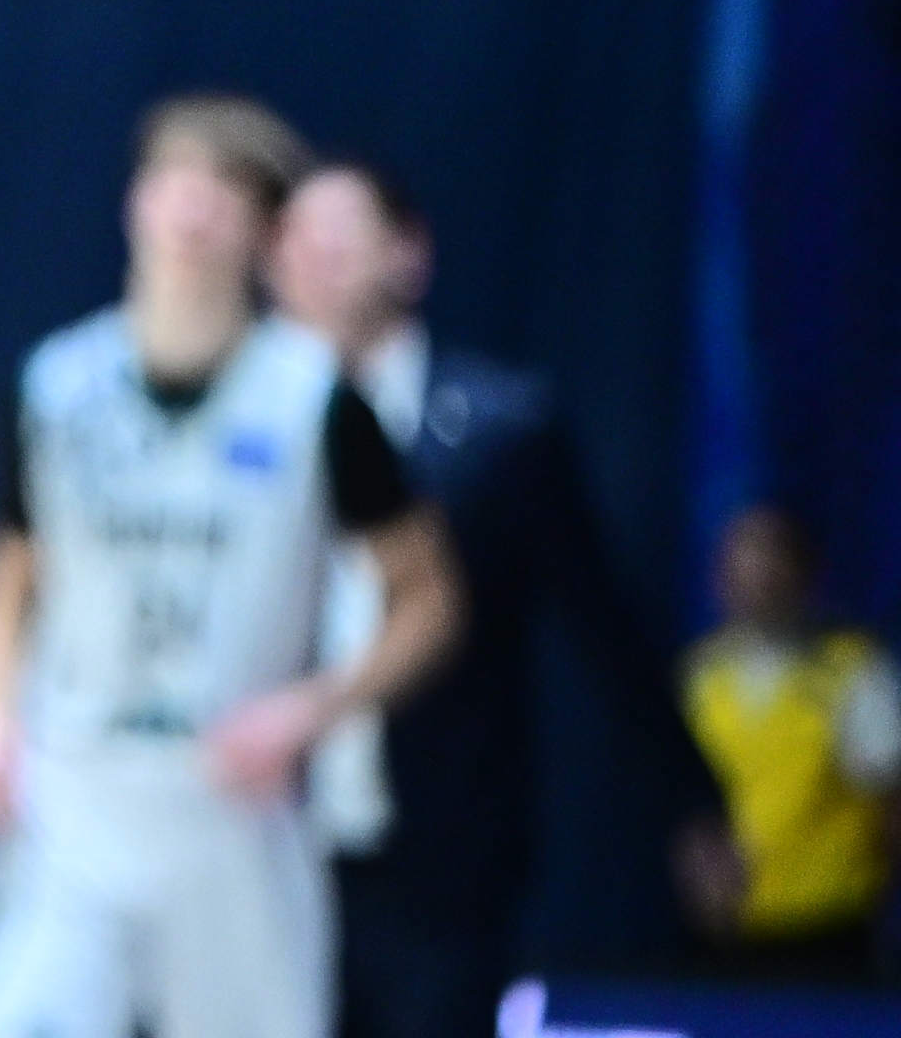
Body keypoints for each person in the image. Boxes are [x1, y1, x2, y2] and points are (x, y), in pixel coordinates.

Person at [0, 97, 467, 1038]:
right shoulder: (56, 385)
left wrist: (313, 709)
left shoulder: (315, 398)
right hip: (74, 793)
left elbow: (427, 595)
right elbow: (6, 579)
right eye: (173, 182)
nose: (192, 211)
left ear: (265, 233)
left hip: (232, 798)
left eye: (223, 191)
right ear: (134, 204)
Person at [268, 153, 730, 1038]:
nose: (313, 255)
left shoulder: (501, 429)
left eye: (340, 232)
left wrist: (693, 802)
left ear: (408, 253)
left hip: (438, 861)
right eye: (293, 236)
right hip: (260, 846)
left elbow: (606, 627)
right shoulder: (234, 426)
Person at [681, 502, 897, 978]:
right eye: (744, 564)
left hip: (830, 931)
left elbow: (890, 802)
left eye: (774, 561)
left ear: (805, 572)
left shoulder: (853, 671)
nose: (760, 581)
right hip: (725, 932)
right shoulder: (698, 678)